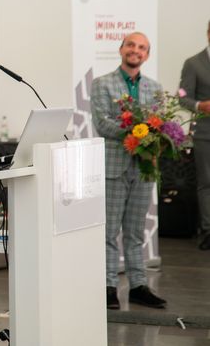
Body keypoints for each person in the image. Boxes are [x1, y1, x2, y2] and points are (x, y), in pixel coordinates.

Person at [90, 32, 167, 310]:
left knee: (135, 232)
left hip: (144, 168)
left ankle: (137, 286)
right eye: (131, 45)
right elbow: (102, 124)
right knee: (109, 231)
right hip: (113, 167)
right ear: (121, 49)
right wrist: (138, 131)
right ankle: (109, 286)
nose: (136, 50)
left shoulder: (156, 89)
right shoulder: (102, 84)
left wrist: (150, 135)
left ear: (147, 55)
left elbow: (161, 125)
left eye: (142, 47)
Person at [178, 21, 210, 250]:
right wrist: (200, 105)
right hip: (204, 133)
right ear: (208, 33)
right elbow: (182, 98)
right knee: (206, 183)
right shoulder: (193, 63)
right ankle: (208, 231)